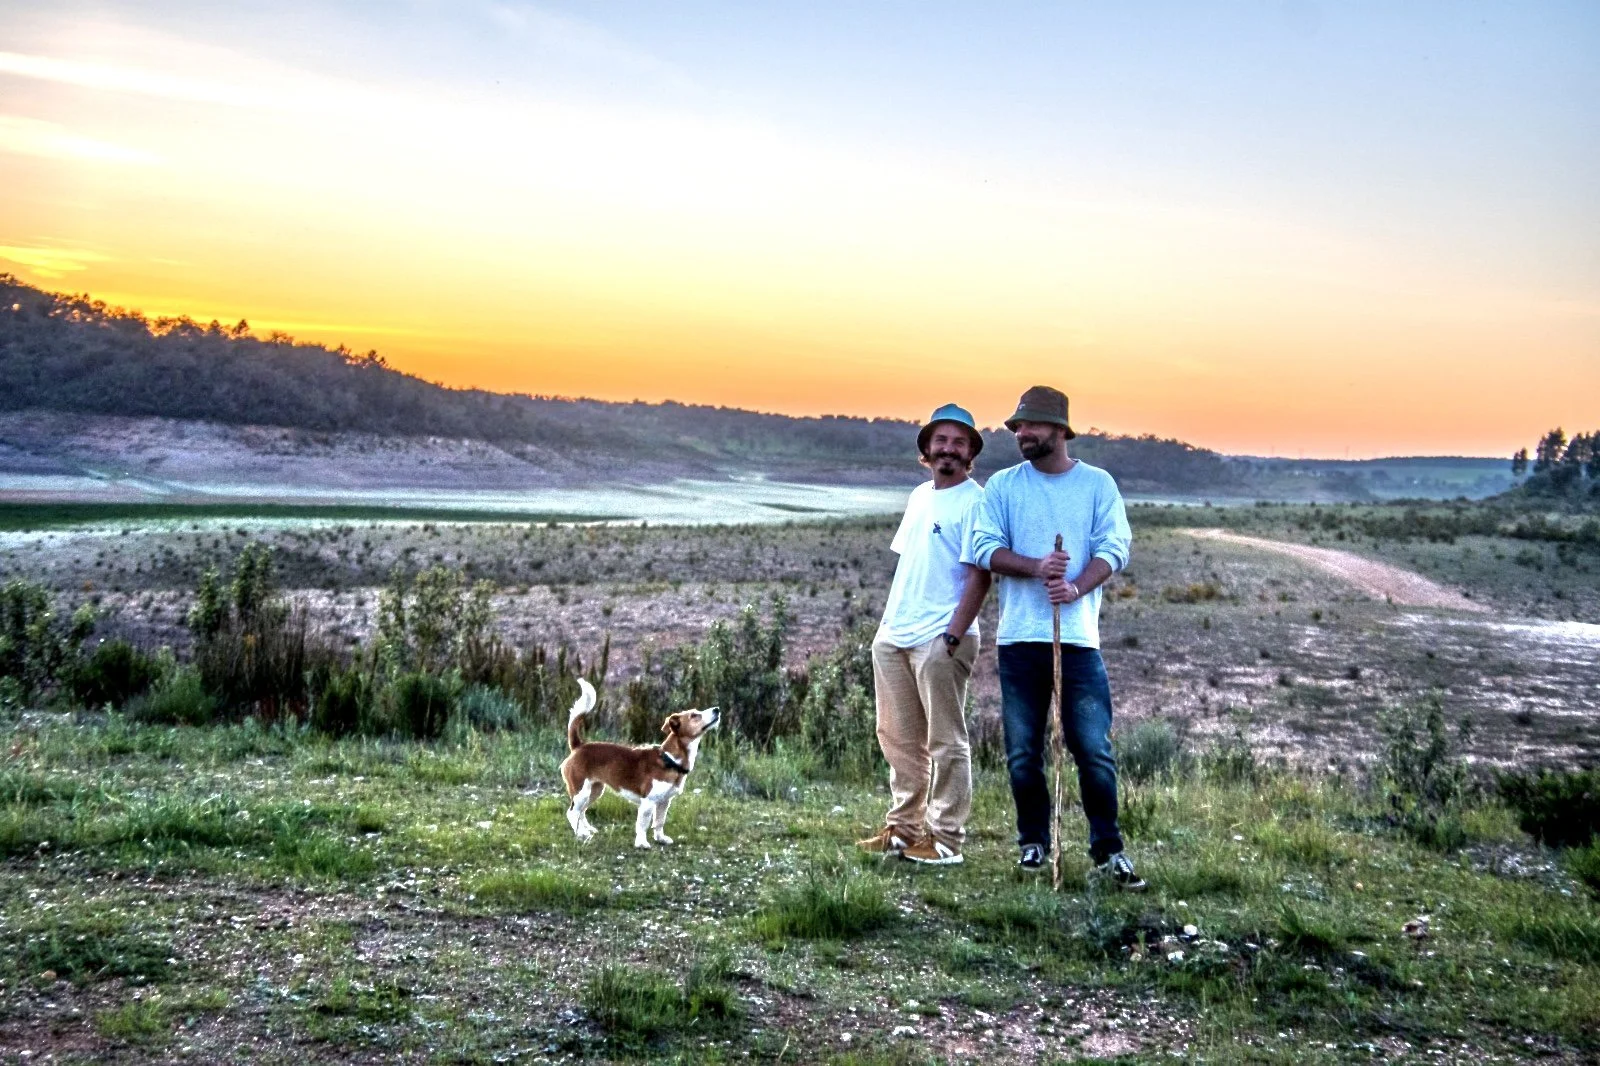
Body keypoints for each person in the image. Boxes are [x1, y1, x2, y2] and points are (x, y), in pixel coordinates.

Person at [969, 385, 1146, 889]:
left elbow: (1115, 547)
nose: (1021, 433)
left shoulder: (1097, 485)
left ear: (1060, 430)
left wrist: (1074, 587)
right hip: (1019, 639)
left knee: (1093, 750)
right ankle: (1033, 844)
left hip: (1079, 641)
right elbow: (983, 548)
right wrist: (1036, 567)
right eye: (1017, 426)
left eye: (1030, 425)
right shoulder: (1003, 486)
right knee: (1024, 751)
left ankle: (1109, 852)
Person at [856, 403, 992, 865]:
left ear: (971, 452)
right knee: (897, 737)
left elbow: (980, 575)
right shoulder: (919, 496)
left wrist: (952, 636)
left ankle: (947, 839)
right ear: (927, 449)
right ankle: (903, 829)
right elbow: (912, 563)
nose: (948, 449)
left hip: (941, 636)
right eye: (941, 440)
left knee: (946, 741)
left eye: (959, 442)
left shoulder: (977, 502)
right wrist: (886, 627)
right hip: (896, 632)